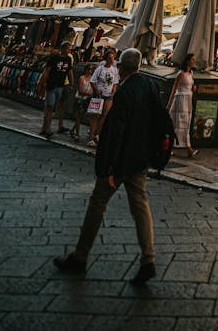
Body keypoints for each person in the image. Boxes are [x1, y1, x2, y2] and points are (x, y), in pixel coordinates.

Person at [54, 48, 160, 286]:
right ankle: (148, 260)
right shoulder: (151, 87)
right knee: (140, 207)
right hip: (140, 160)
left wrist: (110, 168)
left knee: (97, 203)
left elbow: (116, 133)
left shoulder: (123, 93)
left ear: (122, 68)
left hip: (120, 162)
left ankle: (80, 257)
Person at [39, 41, 74, 138]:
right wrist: (42, 83)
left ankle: (45, 128)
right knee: (49, 106)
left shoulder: (68, 59)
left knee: (53, 107)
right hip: (52, 84)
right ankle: (47, 128)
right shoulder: (54, 58)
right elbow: (47, 71)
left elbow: (69, 71)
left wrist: (71, 83)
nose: (69, 51)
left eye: (70, 50)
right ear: (62, 49)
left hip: (61, 85)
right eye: (68, 49)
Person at [167, 53, 198, 159]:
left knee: (185, 124)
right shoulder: (181, 73)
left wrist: (193, 88)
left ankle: (184, 148)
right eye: (193, 59)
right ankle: (188, 148)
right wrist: (169, 104)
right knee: (180, 123)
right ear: (188, 61)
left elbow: (189, 85)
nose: (194, 61)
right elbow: (174, 88)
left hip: (188, 100)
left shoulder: (191, 73)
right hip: (181, 100)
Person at [88, 48, 119, 146]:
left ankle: (97, 134)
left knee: (104, 115)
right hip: (99, 94)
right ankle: (91, 137)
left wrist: (113, 90)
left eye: (113, 58)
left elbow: (115, 83)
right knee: (95, 115)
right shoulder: (100, 69)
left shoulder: (114, 70)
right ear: (106, 58)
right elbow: (92, 81)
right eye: (109, 58)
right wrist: (97, 90)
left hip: (108, 95)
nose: (111, 60)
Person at [71, 64, 95, 141]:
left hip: (87, 99)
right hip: (81, 99)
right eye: (88, 69)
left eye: (91, 70)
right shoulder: (82, 78)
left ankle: (73, 130)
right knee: (79, 117)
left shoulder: (92, 79)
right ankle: (77, 134)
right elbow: (80, 90)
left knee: (81, 117)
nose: (89, 71)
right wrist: (89, 94)